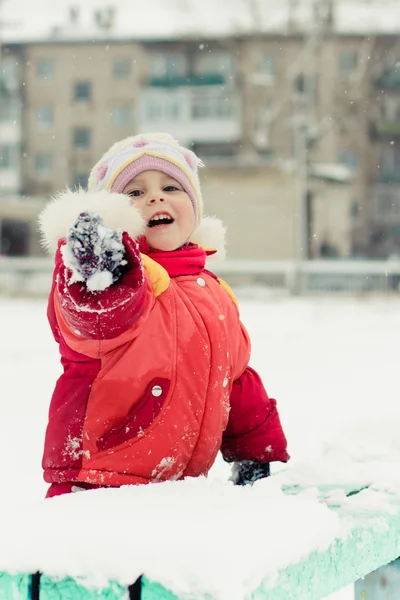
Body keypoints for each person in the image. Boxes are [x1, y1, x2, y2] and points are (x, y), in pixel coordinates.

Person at [39, 132, 289, 499]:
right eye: (134, 193)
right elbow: (95, 321)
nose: (155, 197)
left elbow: (233, 378)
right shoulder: (121, 283)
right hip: (97, 485)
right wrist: (98, 269)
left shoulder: (213, 291)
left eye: (171, 187)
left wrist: (256, 450)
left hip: (177, 496)